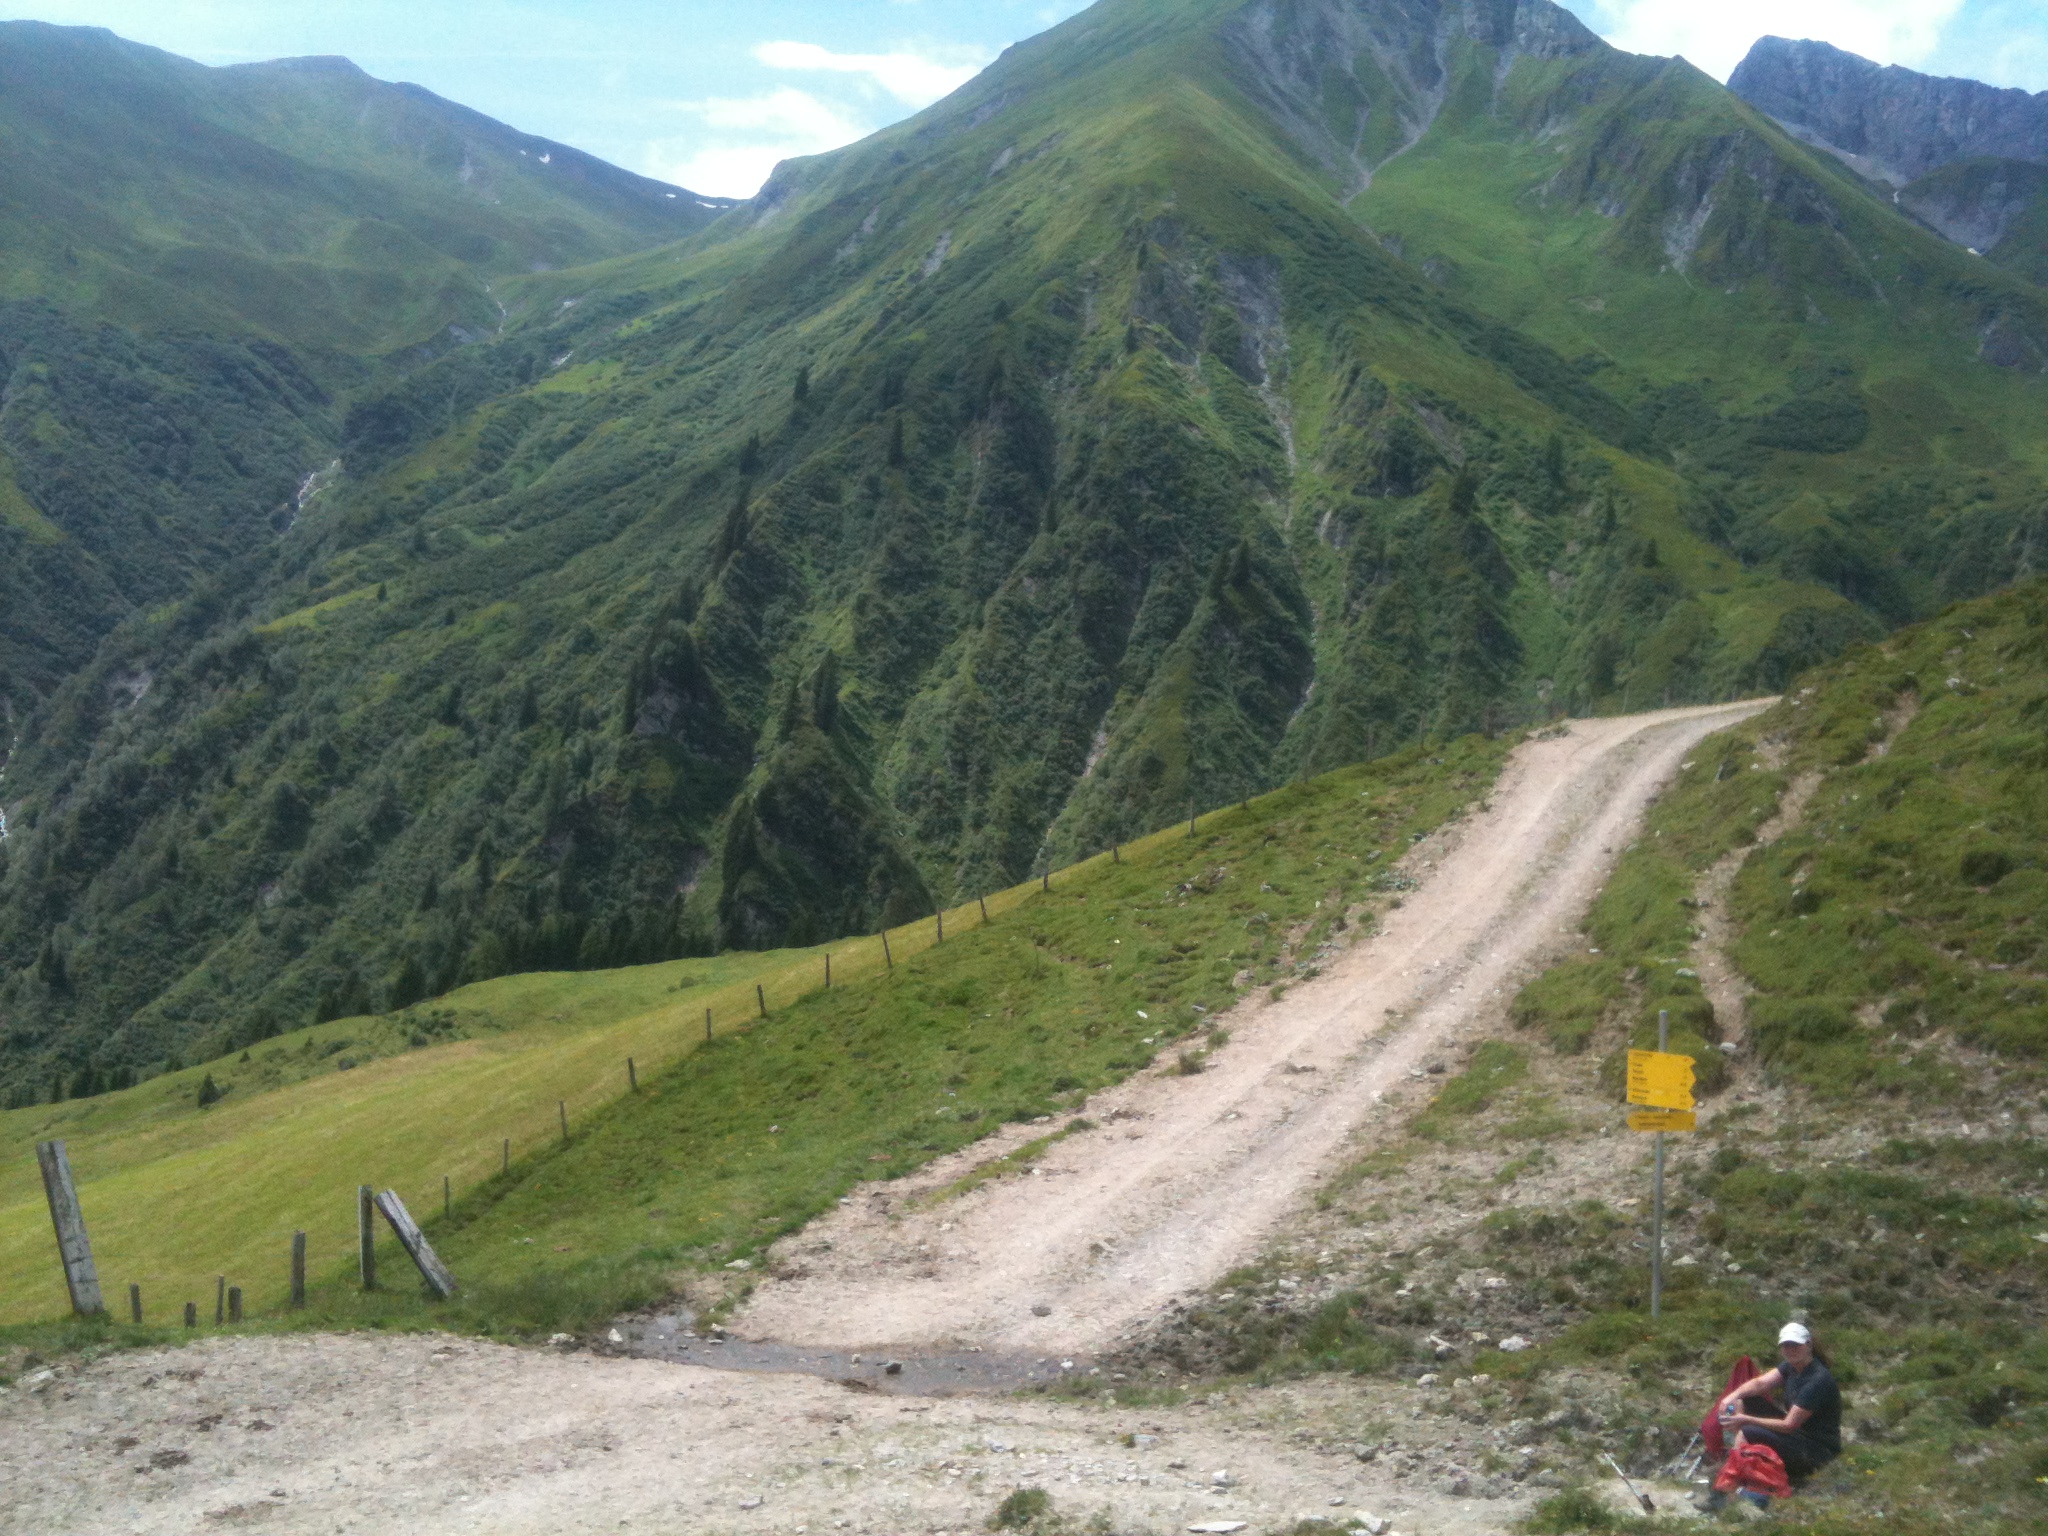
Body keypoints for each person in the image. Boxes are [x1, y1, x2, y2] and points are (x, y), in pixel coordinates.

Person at [1697, 1322, 1843, 1511]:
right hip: (1798, 1437)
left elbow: (1789, 1424)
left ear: (1808, 1345)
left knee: (1748, 1431)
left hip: (1817, 1450)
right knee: (1745, 1400)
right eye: (1786, 1345)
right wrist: (1733, 1396)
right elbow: (1760, 1384)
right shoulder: (1791, 1367)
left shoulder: (1817, 1380)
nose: (1790, 1350)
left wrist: (1746, 1420)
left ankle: (1726, 1486)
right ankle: (1745, 1461)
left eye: (1795, 1345)